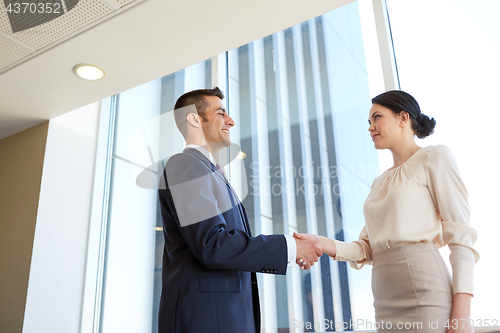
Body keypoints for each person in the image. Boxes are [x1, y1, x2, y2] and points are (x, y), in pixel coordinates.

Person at [295, 90, 479, 333]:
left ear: (403, 118)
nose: (371, 127)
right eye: (369, 121)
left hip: (425, 290)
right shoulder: (379, 183)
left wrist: (462, 316)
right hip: (384, 298)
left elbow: (461, 237)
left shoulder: (434, 157)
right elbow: (366, 248)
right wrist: (320, 243)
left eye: (377, 117)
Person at [158, 87, 322, 333]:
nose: (231, 121)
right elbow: (213, 244)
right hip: (203, 320)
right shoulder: (185, 165)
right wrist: (290, 246)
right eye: (221, 113)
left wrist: (290, 251)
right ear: (193, 119)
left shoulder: (210, 172)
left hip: (223, 317)